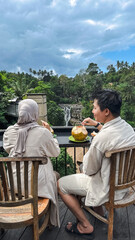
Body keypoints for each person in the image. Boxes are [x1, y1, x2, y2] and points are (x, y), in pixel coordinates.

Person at [58, 89, 135, 238]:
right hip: (125, 187)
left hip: (107, 188)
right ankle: (99, 211)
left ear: (106, 111)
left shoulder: (101, 139)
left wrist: (85, 160)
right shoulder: (128, 128)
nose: (92, 111)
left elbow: (89, 170)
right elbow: (111, 134)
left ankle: (85, 225)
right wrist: (98, 125)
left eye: (94, 107)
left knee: (61, 184)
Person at [3, 99, 60, 227]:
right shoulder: (43, 133)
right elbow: (55, 152)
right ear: (35, 113)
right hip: (38, 188)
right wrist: (51, 133)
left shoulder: (10, 131)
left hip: (14, 184)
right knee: (55, 175)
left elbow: (9, 149)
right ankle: (49, 220)